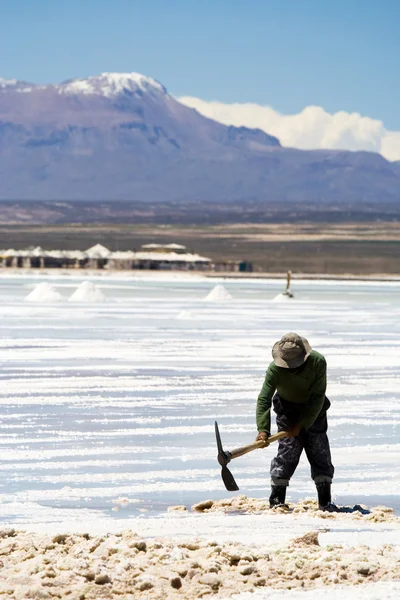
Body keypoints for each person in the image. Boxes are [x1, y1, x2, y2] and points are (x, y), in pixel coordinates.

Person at [256, 332, 334, 510]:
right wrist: (263, 430)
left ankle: (325, 503)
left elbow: (317, 397)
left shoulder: (317, 362)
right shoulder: (275, 369)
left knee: (319, 453)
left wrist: (303, 424)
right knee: (287, 453)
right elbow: (264, 399)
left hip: (315, 410)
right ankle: (276, 502)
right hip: (287, 411)